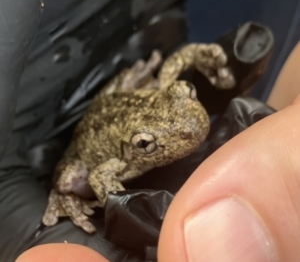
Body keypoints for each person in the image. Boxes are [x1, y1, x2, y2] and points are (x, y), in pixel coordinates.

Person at [16, 42, 300, 261]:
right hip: (94, 140)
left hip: (121, 104)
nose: (192, 128)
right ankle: (66, 194)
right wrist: (128, 209)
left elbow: (176, 65)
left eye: (186, 91)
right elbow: (99, 176)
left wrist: (198, 54)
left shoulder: (166, 97)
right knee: (67, 181)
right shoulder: (116, 161)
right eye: (146, 144)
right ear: (134, 148)